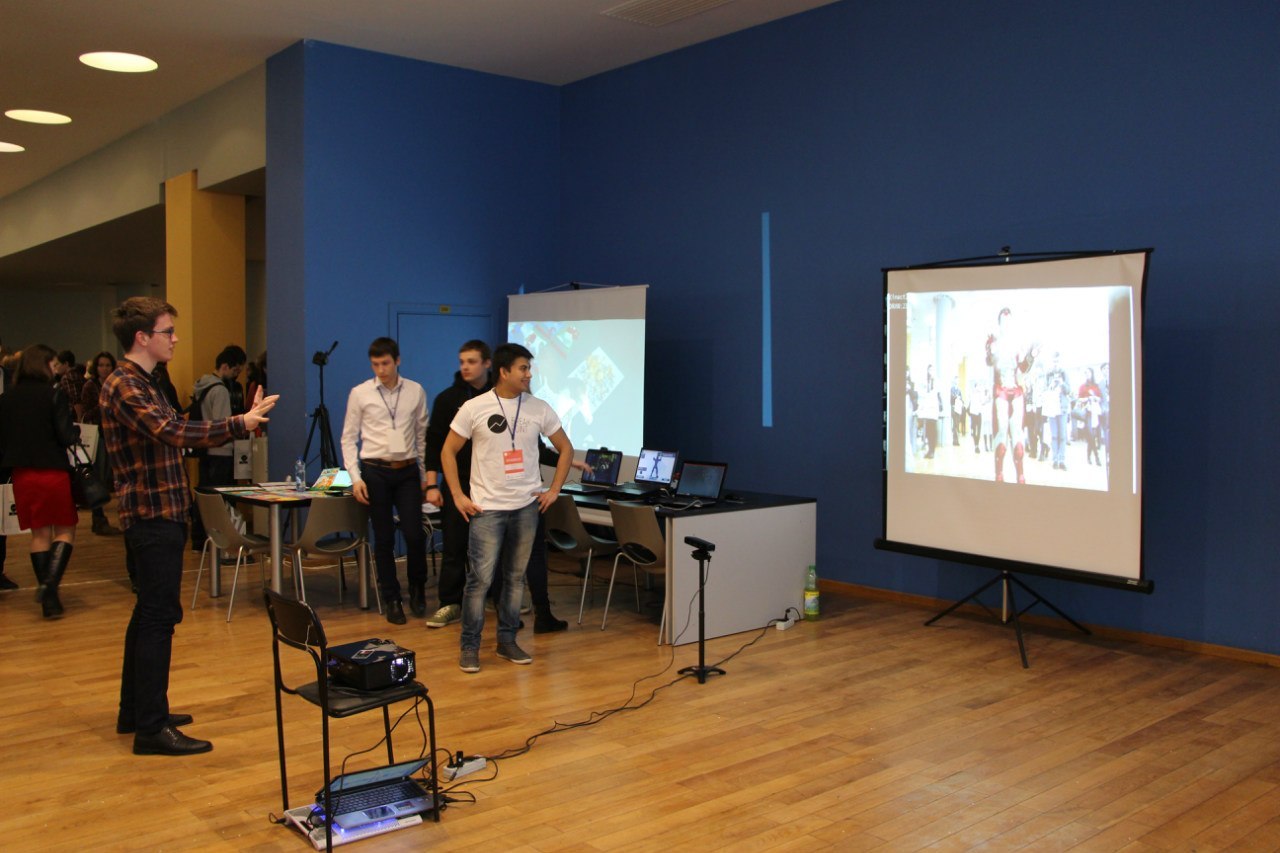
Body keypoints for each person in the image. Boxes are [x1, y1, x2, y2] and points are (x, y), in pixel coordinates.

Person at [101, 296, 277, 756]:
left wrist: (239, 419)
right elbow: (173, 432)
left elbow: (175, 425)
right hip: (151, 514)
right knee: (159, 617)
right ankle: (150, 727)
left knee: (149, 613)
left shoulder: (145, 381)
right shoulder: (125, 383)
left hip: (161, 511)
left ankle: (135, 711)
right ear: (142, 337)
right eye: (168, 331)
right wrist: (239, 423)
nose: (175, 338)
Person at [442, 342, 572, 673]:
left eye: (529, 368)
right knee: (480, 581)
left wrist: (554, 490)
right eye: (523, 368)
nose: (529, 374)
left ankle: (507, 641)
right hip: (487, 509)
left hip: (526, 507)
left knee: (515, 579)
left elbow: (565, 449)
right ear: (503, 372)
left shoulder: (538, 408)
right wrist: (457, 495)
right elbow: (447, 451)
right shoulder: (475, 407)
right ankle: (469, 646)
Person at [340, 337, 429, 625]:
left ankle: (417, 587)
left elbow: (422, 435)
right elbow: (348, 438)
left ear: (397, 361)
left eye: (386, 363)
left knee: (414, 534)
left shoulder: (415, 390)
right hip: (374, 471)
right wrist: (355, 477)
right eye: (375, 364)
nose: (381, 370)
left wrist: (425, 475)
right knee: (384, 537)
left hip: (407, 470)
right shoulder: (360, 393)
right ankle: (391, 597)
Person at [0, 345, 81, 616]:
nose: (56, 369)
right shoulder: (53, 394)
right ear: (43, 365)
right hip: (53, 471)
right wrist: (74, 430)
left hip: (22, 474)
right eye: (53, 364)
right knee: (65, 530)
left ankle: (50, 600)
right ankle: (49, 586)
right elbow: (66, 436)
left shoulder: (6, 399)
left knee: (39, 534)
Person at [423, 340, 493, 629]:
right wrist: (431, 485)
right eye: (462, 361)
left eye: (472, 361)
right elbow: (434, 444)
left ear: (487, 363)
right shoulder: (448, 399)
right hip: (458, 482)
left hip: (492, 484)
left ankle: (496, 598)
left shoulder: (499, 397)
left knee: (492, 547)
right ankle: (449, 603)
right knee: (454, 545)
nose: (465, 367)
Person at [189, 345, 247, 550]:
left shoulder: (201, 387)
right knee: (221, 498)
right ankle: (221, 539)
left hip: (205, 449)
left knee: (204, 496)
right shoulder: (220, 390)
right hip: (221, 451)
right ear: (225, 366)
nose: (236, 375)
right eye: (235, 370)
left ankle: (199, 538)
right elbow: (222, 424)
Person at [985, 308, 1038, 483]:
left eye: (1009, 321)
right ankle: (999, 475)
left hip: (1016, 392)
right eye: (1004, 321)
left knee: (1017, 437)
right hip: (1000, 391)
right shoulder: (994, 342)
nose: (1007, 325)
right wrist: (990, 348)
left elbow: (1023, 368)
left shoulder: (1017, 345)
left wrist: (1031, 355)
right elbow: (989, 361)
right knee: (1001, 434)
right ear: (999, 324)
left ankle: (1020, 476)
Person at [80, 351, 123, 536]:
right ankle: (98, 518)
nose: (105, 369)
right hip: (98, 435)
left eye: (108, 365)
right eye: (101, 365)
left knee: (113, 476)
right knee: (99, 476)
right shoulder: (90, 386)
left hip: (114, 434)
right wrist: (104, 403)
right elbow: (86, 412)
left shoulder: (116, 385)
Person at [56, 350, 87, 420]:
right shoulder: (80, 374)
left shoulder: (67, 378)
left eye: (58, 364)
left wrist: (80, 418)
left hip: (73, 416)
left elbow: (76, 399)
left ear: (66, 364)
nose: (56, 367)